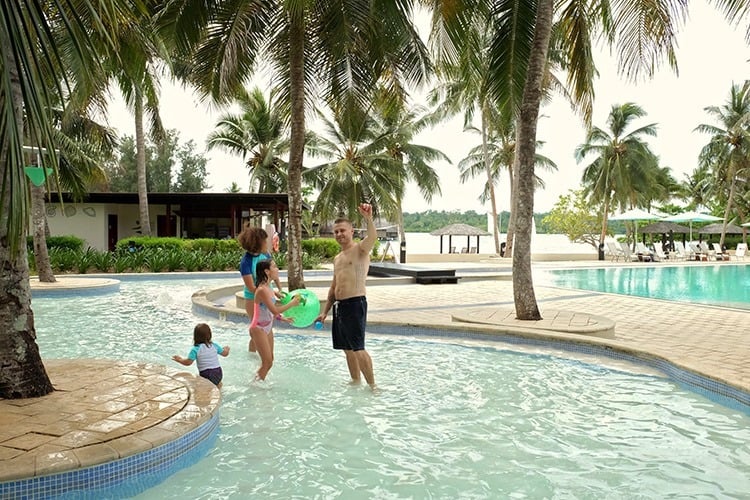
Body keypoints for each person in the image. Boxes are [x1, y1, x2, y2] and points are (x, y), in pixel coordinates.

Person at [316, 203, 377, 388]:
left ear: (351, 231)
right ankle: (355, 381)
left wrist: (368, 218)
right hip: (340, 306)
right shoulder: (338, 258)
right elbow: (334, 286)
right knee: (347, 349)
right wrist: (325, 311)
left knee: (358, 348)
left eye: (342, 230)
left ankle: (373, 386)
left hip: (355, 303)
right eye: (336, 232)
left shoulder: (361, 250)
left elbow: (372, 236)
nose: (339, 234)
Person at [250, 259, 300, 381]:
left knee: (270, 360)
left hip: (267, 327)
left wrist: (282, 319)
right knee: (267, 362)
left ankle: (258, 380)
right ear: (267, 271)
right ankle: (254, 384)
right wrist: (292, 303)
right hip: (258, 328)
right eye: (274, 266)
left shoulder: (269, 287)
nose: (277, 269)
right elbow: (275, 310)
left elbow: (269, 311)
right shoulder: (262, 290)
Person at [238, 223, 283, 351]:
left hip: (267, 294)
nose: (267, 243)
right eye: (264, 240)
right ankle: (254, 358)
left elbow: (273, 273)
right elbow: (252, 287)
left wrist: (279, 289)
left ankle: (265, 357)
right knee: (258, 330)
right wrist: (271, 293)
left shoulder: (266, 255)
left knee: (268, 327)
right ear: (257, 243)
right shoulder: (246, 262)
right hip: (253, 299)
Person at [172, 323, 230, 388]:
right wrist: (226, 349)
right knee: (217, 383)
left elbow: (188, 362)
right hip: (218, 372)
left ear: (195, 337)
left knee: (205, 388)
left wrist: (180, 360)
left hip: (206, 374)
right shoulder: (214, 346)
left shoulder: (196, 349)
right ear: (210, 335)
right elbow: (225, 354)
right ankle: (219, 393)